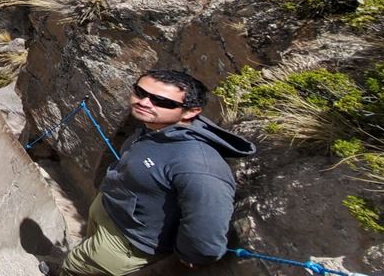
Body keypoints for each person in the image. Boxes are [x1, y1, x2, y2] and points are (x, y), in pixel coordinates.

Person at [60, 69, 256, 276]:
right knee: (81, 256)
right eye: (140, 92)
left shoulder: (198, 164)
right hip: (112, 213)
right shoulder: (157, 128)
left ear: (191, 112)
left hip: (128, 243)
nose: (144, 102)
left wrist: (192, 254)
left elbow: (207, 230)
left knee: (76, 269)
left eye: (162, 101)